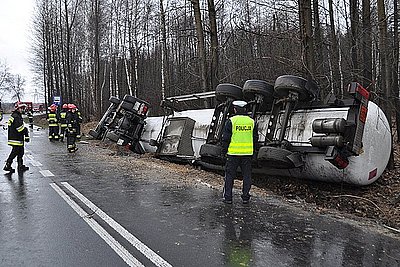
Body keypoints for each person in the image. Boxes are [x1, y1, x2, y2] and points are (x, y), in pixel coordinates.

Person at [221, 100, 258, 204]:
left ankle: (228, 197)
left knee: (229, 176)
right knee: (247, 176)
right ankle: (245, 197)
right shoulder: (251, 121)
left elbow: (226, 138)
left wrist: (224, 151)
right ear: (245, 109)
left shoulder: (231, 121)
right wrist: (254, 151)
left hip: (233, 154)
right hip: (247, 154)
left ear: (235, 109)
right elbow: (255, 138)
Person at [3, 102, 30, 172]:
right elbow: (19, 129)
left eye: (23, 108)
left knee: (21, 152)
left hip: (16, 137)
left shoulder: (16, 115)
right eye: (22, 108)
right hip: (16, 138)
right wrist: (26, 132)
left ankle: (20, 166)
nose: (23, 109)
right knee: (15, 152)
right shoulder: (16, 116)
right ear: (18, 108)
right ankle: (8, 165)